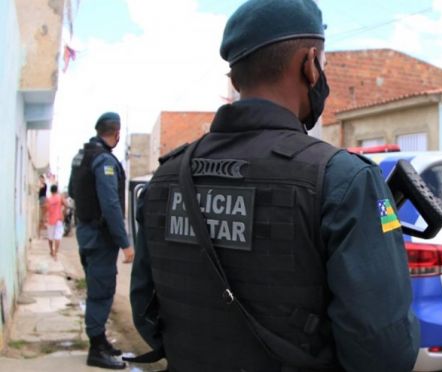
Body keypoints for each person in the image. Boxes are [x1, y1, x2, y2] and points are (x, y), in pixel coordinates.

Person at [129, 1, 420, 371]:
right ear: (310, 65)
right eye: (323, 64)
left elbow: (145, 313)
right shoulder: (342, 179)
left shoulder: (166, 177)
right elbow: (384, 354)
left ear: (235, 80)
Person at [68, 111, 135, 370]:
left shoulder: (82, 155)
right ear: (116, 133)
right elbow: (110, 204)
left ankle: (100, 340)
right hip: (100, 236)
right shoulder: (104, 160)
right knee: (101, 291)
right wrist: (125, 243)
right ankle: (96, 349)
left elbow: (74, 191)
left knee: (98, 286)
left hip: (86, 232)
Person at [45, 184, 67, 260]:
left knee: (50, 237)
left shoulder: (49, 199)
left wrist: (44, 218)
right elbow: (66, 205)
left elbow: (46, 209)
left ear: (51, 191)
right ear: (56, 190)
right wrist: (63, 212)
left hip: (51, 220)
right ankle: (56, 252)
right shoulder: (60, 198)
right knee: (57, 236)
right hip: (59, 219)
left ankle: (51, 250)